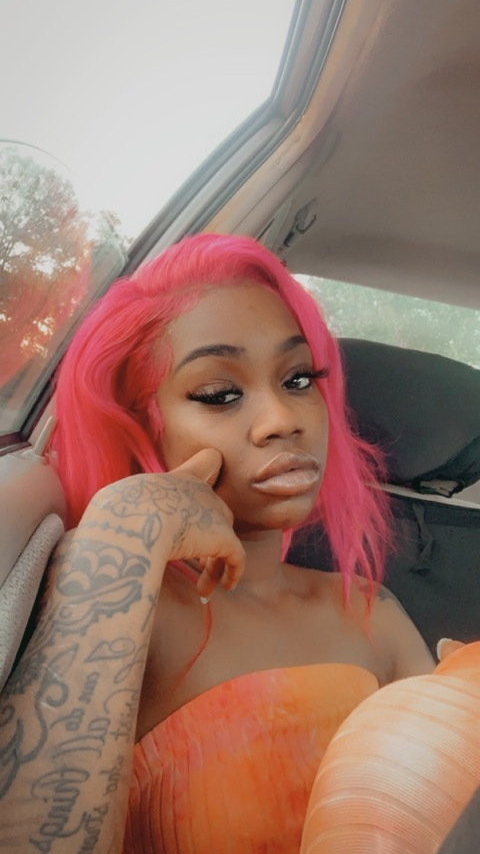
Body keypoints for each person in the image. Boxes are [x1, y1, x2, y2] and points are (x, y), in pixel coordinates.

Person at [0, 234, 434, 853]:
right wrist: (128, 522)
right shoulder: (119, 604)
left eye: (298, 378)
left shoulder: (370, 609)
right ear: (143, 423)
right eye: (219, 395)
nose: (283, 420)